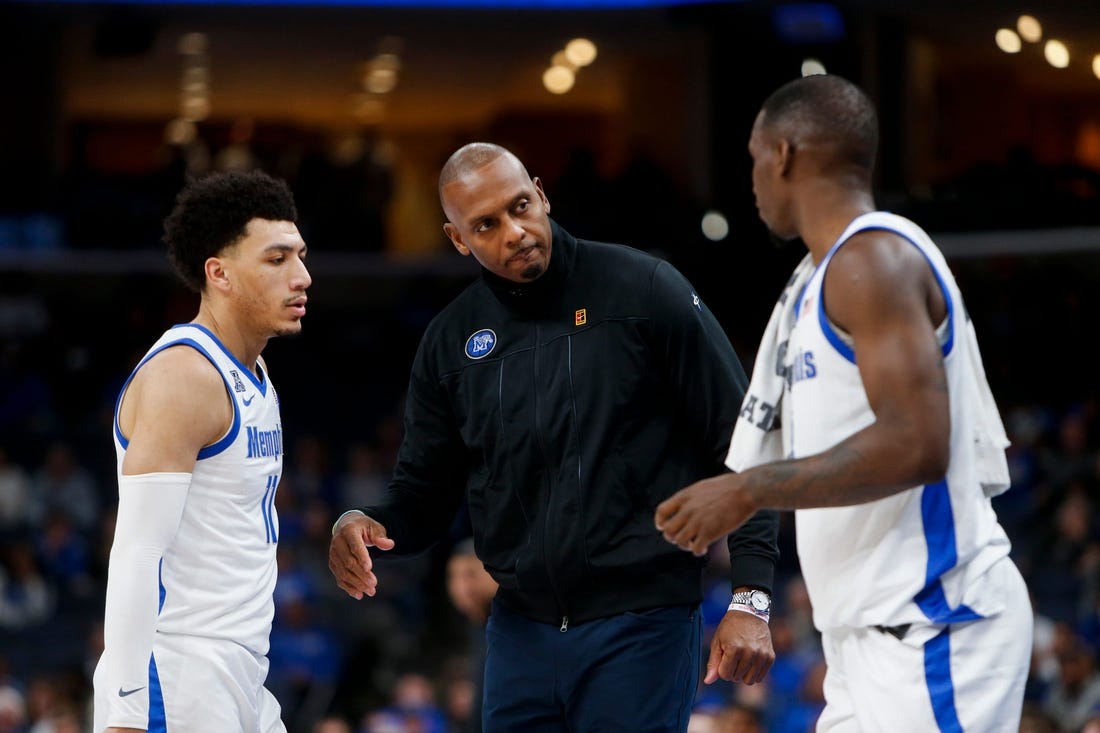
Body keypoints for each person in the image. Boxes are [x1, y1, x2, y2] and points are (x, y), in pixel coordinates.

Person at [329, 142, 780, 733]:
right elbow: (424, 492)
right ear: (458, 239)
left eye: (520, 207)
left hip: (643, 623)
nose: (514, 232)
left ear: (541, 193)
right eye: (486, 225)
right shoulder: (450, 341)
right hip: (518, 630)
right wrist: (368, 522)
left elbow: (745, 438)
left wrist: (751, 594)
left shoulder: (644, 289)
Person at [654, 73, 1033, 730]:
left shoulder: (872, 260)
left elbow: (916, 440)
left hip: (934, 627)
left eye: (753, 158)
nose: (751, 179)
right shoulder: (816, 279)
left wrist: (748, 491)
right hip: (865, 641)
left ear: (785, 154)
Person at [92, 169, 311, 732]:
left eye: (300, 256)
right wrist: (125, 711)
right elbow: (136, 553)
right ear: (220, 273)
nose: (302, 276)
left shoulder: (255, 370)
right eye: (277, 259)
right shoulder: (185, 375)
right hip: (177, 672)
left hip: (239, 669)